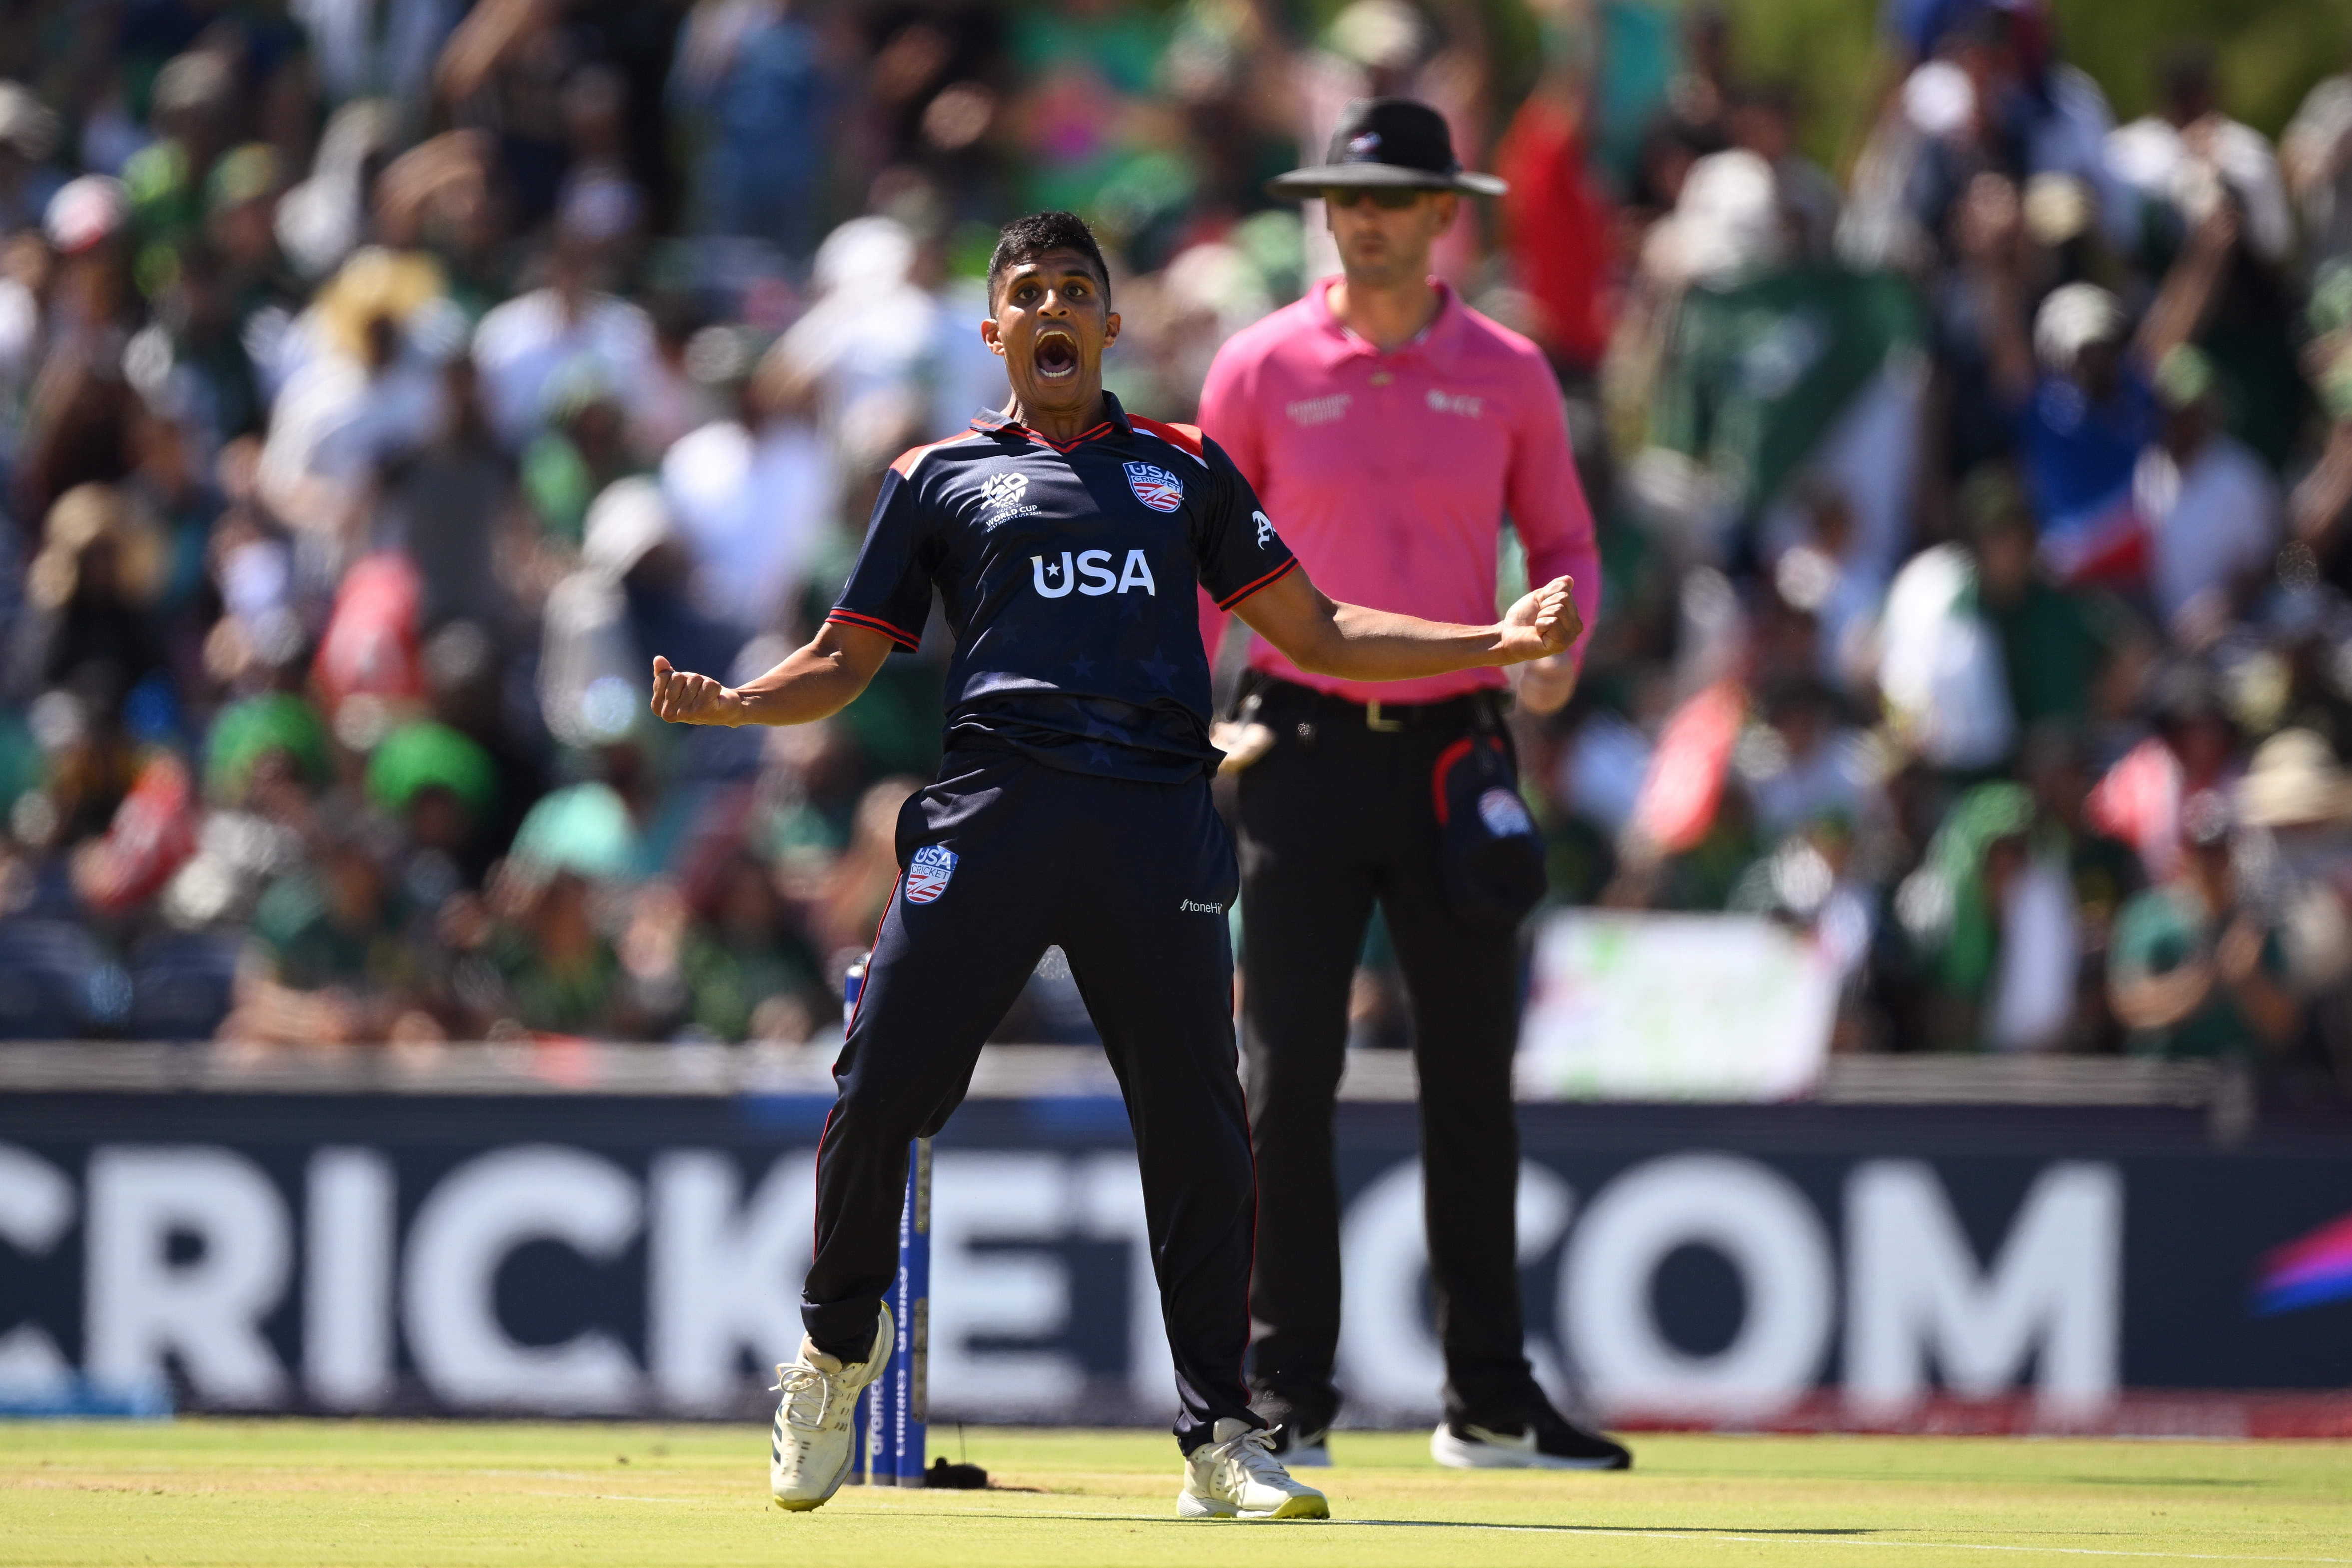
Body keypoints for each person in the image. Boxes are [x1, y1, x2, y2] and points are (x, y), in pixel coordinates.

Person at [646, 210, 1581, 1518]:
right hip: (993, 811)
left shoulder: (1183, 470)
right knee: (879, 1083)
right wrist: (740, 706)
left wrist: (1492, 638)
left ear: (1108, 323)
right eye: (1028, 293)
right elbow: (847, 655)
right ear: (995, 331)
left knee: (1200, 1129)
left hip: (1152, 820)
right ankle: (834, 1353)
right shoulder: (935, 475)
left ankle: (1221, 1436)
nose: (1052, 310)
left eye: (1074, 291)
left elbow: (1317, 629)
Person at [1196, 96, 1628, 1471]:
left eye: (1388, 198)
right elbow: (1205, 560)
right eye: (1345, 198)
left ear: (1446, 212)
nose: (1362, 220)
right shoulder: (1259, 365)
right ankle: (1284, 1395)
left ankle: (1488, 1399)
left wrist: (1555, 653)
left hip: (1453, 748)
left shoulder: (1508, 371)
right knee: (1285, 1076)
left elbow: (1562, 541)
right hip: (1296, 744)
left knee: (1471, 1079)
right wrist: (1173, 722)